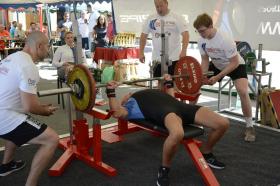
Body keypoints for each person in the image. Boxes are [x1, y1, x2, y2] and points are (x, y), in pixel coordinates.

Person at [106, 74, 229, 186]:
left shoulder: (153, 92)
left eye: (127, 95)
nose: (127, 95)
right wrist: (111, 91)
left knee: (223, 123)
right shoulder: (130, 108)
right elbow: (116, 112)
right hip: (169, 113)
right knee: (177, 134)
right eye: (124, 98)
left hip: (181, 107)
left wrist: (169, 82)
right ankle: (164, 168)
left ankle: (206, 152)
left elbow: (171, 96)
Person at [0, 31, 59, 186]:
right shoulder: (28, 66)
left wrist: (37, 106)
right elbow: (29, 106)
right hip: (3, 116)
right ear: (39, 46)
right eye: (47, 46)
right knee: (52, 139)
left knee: (20, 119)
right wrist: (44, 110)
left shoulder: (11, 57)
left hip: (6, 112)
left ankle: (6, 165)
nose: (48, 50)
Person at [193, 13, 255, 142]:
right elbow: (205, 60)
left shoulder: (225, 38)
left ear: (211, 26)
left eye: (203, 31)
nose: (201, 34)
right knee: (196, 84)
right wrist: (202, 76)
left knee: (243, 92)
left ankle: (250, 126)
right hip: (217, 64)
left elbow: (234, 62)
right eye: (198, 31)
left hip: (235, 65)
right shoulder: (201, 40)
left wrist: (218, 77)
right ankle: (189, 117)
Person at [139, 0, 189, 79]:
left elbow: (185, 34)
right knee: (160, 84)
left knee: (174, 83)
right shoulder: (151, 19)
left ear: (166, 4)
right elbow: (143, 36)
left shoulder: (177, 17)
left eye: (161, 6)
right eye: (157, 7)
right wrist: (141, 52)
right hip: (157, 59)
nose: (159, 9)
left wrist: (184, 51)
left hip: (174, 58)